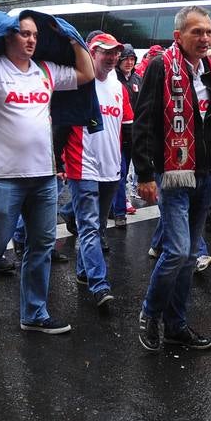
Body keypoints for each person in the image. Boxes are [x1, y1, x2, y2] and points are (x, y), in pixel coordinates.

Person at [0, 12, 94, 333]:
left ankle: (33, 312)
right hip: (1, 177)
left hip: (44, 177)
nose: (30, 39)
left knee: (41, 245)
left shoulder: (45, 71)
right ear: (8, 36)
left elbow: (85, 74)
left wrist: (72, 37)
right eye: (22, 33)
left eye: (34, 34)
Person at [133, 5, 211, 353]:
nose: (204, 38)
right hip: (172, 174)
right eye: (196, 32)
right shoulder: (160, 67)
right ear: (178, 36)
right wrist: (144, 173)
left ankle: (175, 325)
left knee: (189, 257)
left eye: (206, 32)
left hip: (203, 174)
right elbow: (142, 122)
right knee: (175, 251)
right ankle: (149, 314)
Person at [58, 33, 134, 307]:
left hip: (111, 169)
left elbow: (127, 130)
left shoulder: (119, 88)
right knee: (90, 228)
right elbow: (61, 125)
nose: (113, 58)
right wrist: (59, 161)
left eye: (116, 53)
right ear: (91, 53)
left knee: (98, 226)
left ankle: (82, 271)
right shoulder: (79, 84)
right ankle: (99, 285)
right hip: (83, 167)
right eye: (106, 52)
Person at [112, 46, 140, 226]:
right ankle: (119, 211)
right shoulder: (113, 78)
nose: (129, 63)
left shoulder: (138, 78)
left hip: (135, 132)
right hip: (117, 133)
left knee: (126, 169)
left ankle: (117, 205)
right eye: (126, 59)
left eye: (132, 59)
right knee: (120, 171)